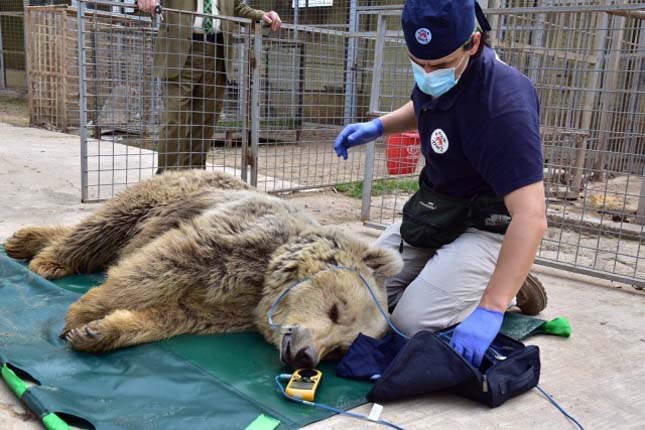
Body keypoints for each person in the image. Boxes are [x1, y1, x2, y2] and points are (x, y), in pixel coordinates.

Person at [334, 0, 548, 369]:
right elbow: (424, 103)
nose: (429, 74)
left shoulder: (504, 106)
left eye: (440, 65)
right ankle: (453, 271)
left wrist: (491, 309)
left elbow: (531, 217)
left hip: (488, 226)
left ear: (474, 43)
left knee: (408, 325)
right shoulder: (438, 70)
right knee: (362, 297)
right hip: (438, 213)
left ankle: (509, 281)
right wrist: (378, 127)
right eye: (420, 64)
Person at [137, 0, 282, 172]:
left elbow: (236, 7)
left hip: (217, 51)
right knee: (175, 118)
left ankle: (195, 177)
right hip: (182, 49)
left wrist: (261, 16)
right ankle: (167, 180)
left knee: (206, 120)